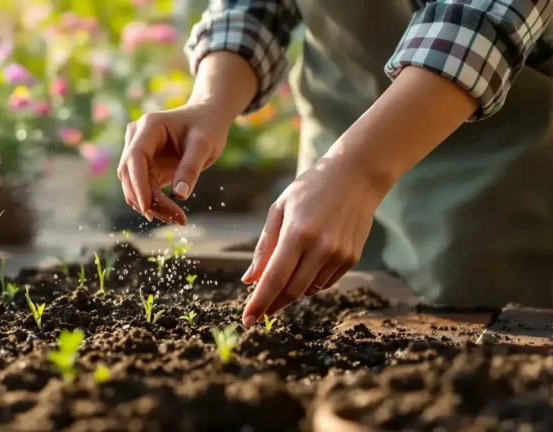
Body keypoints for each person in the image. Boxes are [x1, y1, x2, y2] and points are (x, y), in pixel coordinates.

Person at [117, 0, 553, 327]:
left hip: (494, 181)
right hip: (332, 172)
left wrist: (359, 171)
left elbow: (479, 23)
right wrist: (209, 104)